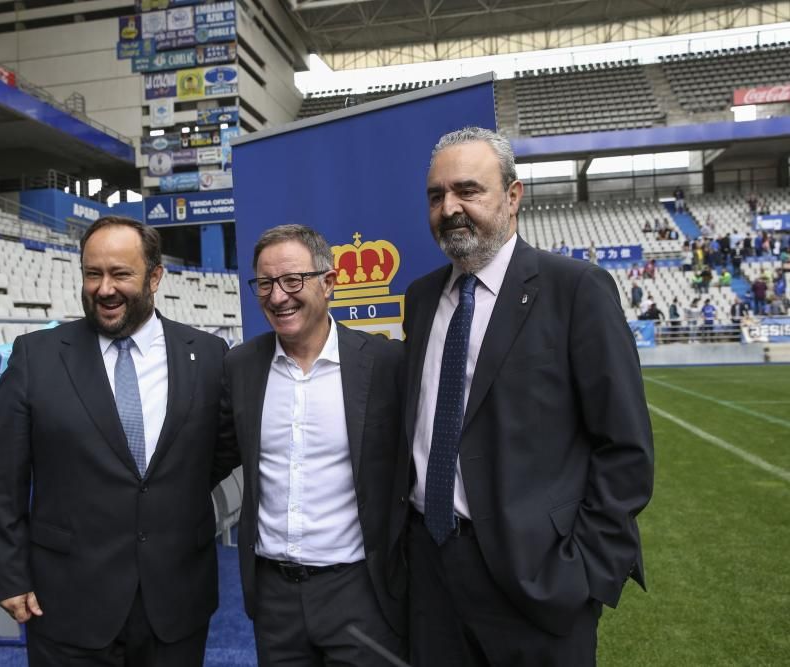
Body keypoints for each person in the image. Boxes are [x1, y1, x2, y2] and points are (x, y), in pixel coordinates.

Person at [405, 127, 654, 665]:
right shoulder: (421, 299)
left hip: (538, 577)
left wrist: (584, 570)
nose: (450, 208)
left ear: (513, 197)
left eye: (468, 190)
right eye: (436, 195)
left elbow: (626, 447)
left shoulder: (576, 289)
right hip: (430, 575)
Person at [0, 216, 237, 666]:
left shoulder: (208, 356)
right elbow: (2, 478)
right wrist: (8, 575)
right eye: (92, 274)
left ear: (155, 276)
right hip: (67, 602)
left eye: (120, 274)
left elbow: (215, 453)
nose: (104, 288)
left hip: (176, 599)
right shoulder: (35, 357)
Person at [221, 224, 407, 666]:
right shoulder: (241, 367)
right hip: (274, 598)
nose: (277, 296)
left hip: (359, 591)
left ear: (329, 282)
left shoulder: (385, 364)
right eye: (264, 283)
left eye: (292, 280)